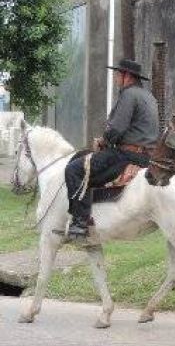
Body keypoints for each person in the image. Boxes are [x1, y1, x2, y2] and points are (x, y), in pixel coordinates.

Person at [64, 59, 159, 239]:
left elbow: (116, 128)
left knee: (73, 170)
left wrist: (103, 141)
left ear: (128, 76)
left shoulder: (129, 95)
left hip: (125, 155)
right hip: (147, 155)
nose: (116, 77)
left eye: (118, 74)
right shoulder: (149, 97)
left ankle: (80, 224)